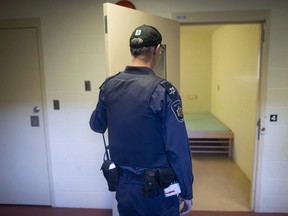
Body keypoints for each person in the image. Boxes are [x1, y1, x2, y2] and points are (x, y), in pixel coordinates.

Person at [90, 24, 193, 216]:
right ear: (157, 50)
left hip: (123, 185)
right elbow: (178, 149)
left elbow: (96, 125)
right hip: (157, 192)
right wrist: (186, 191)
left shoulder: (108, 85)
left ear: (132, 50)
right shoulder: (164, 91)